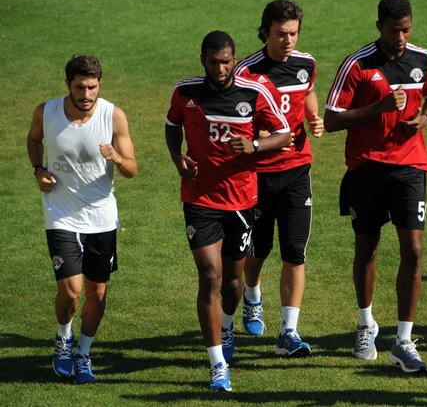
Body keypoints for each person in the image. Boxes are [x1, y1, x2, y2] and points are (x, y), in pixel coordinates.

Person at [324, 0, 427, 373]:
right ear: (379, 27)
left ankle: (403, 341)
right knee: (367, 248)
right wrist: (379, 107)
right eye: (394, 31)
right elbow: (331, 120)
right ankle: (365, 324)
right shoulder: (357, 64)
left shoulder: (423, 59)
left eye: (406, 29)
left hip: (410, 165)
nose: (402, 37)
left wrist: (424, 119)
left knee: (414, 250)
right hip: (367, 168)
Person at [165, 31, 290, 392]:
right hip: (200, 198)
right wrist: (177, 158)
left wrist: (254, 145)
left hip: (241, 200)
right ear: (202, 60)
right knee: (211, 277)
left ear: (234, 59)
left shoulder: (254, 92)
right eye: (213, 62)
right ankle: (217, 365)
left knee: (233, 282)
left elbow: (284, 134)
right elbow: (172, 125)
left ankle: (227, 322)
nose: (220, 69)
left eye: (226, 62)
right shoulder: (185, 92)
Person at [26, 54, 138, 383]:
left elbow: (132, 169)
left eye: (92, 87)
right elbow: (33, 140)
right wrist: (38, 169)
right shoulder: (46, 112)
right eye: (79, 87)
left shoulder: (113, 116)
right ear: (68, 85)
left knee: (97, 293)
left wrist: (116, 157)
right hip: (60, 213)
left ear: (99, 85)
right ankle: (64, 337)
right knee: (72, 291)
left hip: (101, 217)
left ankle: (83, 352)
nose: (86, 95)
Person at [234, 0, 323, 357]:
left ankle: (289, 331)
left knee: (295, 251)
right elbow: (237, 116)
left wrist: (313, 118)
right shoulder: (246, 72)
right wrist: (258, 139)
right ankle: (252, 294)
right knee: (259, 247)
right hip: (259, 174)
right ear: (265, 32)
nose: (288, 41)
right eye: (281, 34)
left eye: (293, 33)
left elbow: (309, 91)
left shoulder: (306, 64)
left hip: (297, 170)